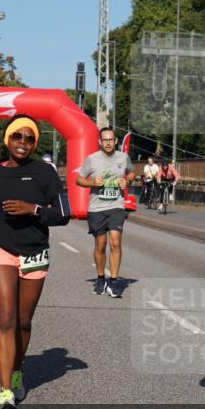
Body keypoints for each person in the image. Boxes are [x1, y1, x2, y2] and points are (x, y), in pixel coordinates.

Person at [0, 115, 70, 409]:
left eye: (29, 139)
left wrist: (34, 209)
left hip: (34, 252)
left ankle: (17, 372)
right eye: (17, 137)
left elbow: (64, 213)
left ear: (35, 143)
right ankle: (5, 393)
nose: (23, 143)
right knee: (6, 319)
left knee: (23, 322)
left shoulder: (45, 173)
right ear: (7, 139)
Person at [75, 126, 135, 298]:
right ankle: (101, 278)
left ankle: (114, 282)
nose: (108, 143)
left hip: (116, 206)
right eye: (105, 140)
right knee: (100, 245)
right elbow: (78, 179)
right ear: (99, 142)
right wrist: (92, 182)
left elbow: (131, 173)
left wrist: (127, 181)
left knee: (115, 242)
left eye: (111, 140)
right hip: (96, 208)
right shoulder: (92, 159)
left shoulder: (123, 158)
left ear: (115, 141)